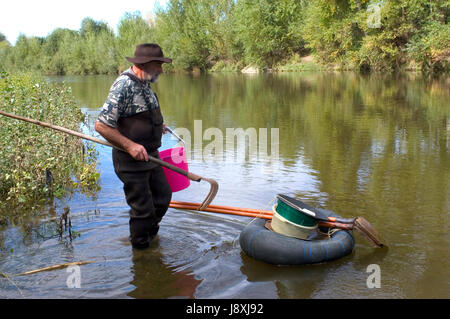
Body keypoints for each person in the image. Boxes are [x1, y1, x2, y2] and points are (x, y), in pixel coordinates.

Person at [95, 43, 173, 249]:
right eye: (158, 65)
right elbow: (101, 125)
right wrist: (130, 146)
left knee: (163, 197)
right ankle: (141, 252)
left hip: (151, 156)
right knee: (143, 209)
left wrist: (157, 125)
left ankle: (149, 237)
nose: (161, 70)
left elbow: (139, 114)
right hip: (130, 159)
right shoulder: (123, 85)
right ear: (144, 65)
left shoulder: (145, 84)